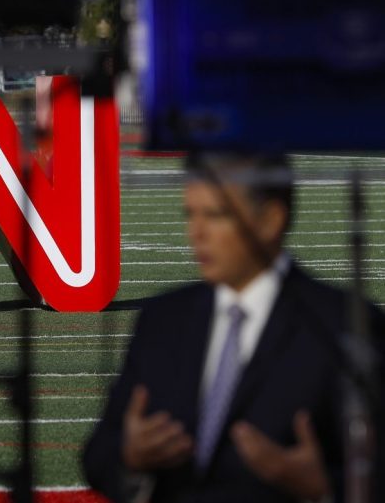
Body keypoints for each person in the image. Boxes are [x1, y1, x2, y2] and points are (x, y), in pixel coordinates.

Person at [82, 152, 384, 503]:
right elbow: (98, 456)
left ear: (270, 220)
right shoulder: (162, 319)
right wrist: (129, 458)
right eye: (190, 214)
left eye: (215, 215)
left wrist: (325, 488)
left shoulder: (344, 326)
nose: (196, 233)